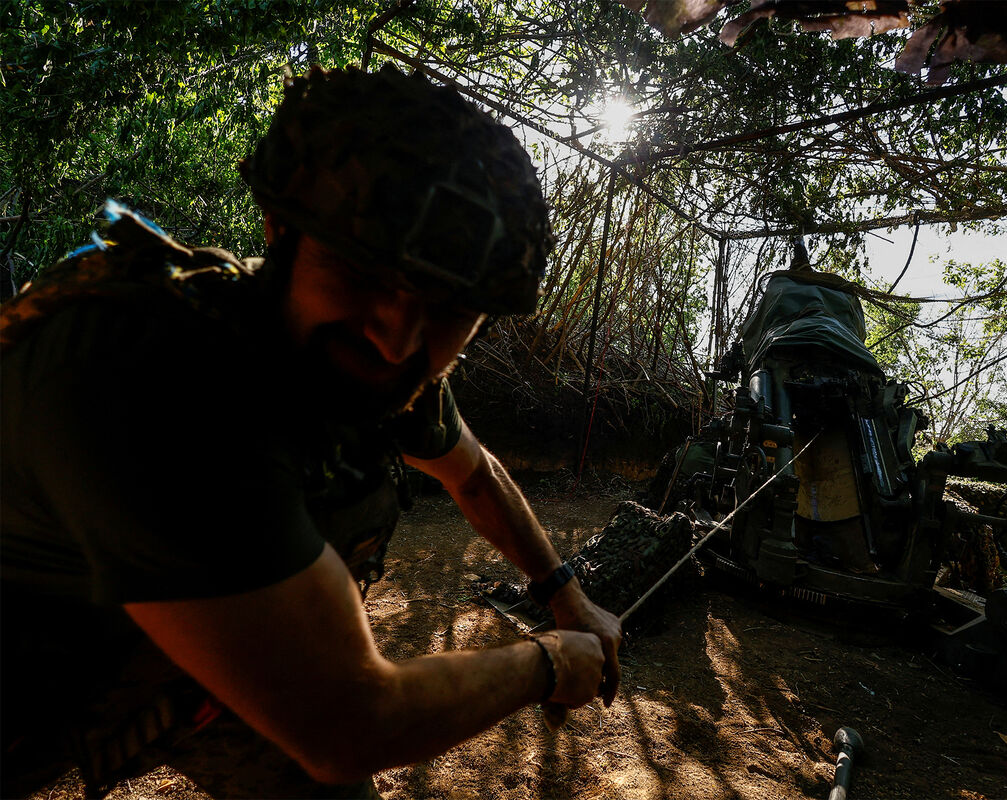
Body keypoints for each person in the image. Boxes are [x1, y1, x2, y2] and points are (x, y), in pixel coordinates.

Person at [1, 64, 621, 799]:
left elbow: (476, 473)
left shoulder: (375, 372)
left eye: (448, 309)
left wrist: (564, 594)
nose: (395, 340)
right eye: (362, 274)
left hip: (160, 671)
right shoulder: (146, 378)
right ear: (278, 232)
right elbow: (349, 721)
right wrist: (550, 660)